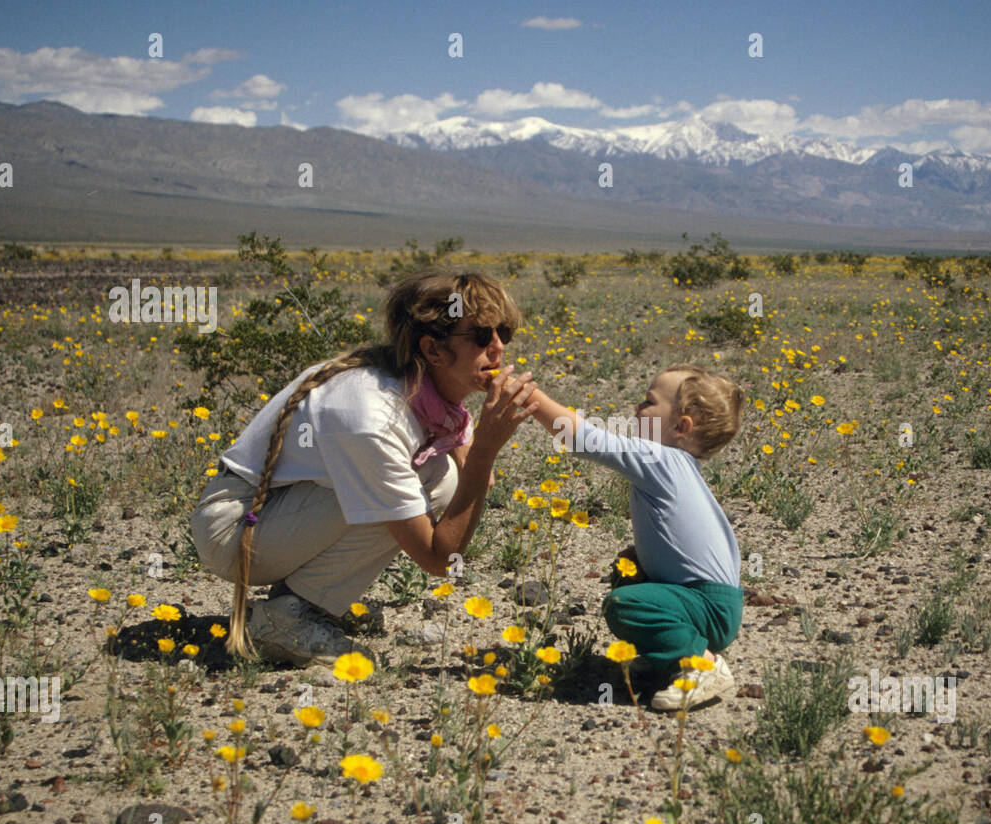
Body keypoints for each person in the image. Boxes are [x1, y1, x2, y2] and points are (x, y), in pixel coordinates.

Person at [189, 270, 538, 667]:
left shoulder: (419, 390)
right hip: (235, 529)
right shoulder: (373, 417)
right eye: (480, 336)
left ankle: (301, 600)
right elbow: (439, 560)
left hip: (274, 514)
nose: (498, 348)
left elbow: (477, 479)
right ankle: (287, 617)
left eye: (503, 333)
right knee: (426, 483)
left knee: (440, 477)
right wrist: (486, 449)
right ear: (434, 350)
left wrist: (476, 453)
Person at [525, 365, 744, 710]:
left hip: (707, 604)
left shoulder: (662, 459)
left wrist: (531, 398)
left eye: (648, 402)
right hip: (709, 602)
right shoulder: (677, 465)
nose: (636, 409)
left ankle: (702, 663)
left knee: (624, 604)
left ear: (680, 426)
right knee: (628, 570)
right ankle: (667, 655)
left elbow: (586, 440)